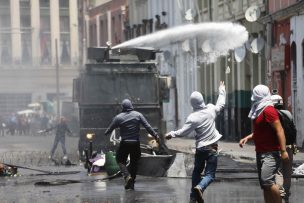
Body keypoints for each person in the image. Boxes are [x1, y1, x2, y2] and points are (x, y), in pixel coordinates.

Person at [165, 81, 226, 203]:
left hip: (201, 148)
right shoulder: (211, 109)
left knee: (197, 171)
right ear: (202, 99)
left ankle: (193, 196)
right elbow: (221, 104)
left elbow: (183, 132)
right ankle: (200, 187)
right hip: (212, 147)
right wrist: (221, 89)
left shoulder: (192, 118)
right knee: (210, 174)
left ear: (192, 103)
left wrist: (171, 134)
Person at [239, 85, 289, 203]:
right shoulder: (259, 109)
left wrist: (283, 151)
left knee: (267, 181)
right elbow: (261, 131)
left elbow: (279, 130)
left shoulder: (268, 110)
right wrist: (248, 137)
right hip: (260, 152)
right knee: (265, 186)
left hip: (270, 153)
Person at [105, 99, 159, 190]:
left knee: (120, 160)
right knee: (134, 163)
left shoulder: (119, 117)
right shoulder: (138, 115)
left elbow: (110, 128)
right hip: (135, 143)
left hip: (125, 143)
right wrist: (155, 135)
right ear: (131, 106)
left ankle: (127, 176)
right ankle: (132, 183)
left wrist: (106, 132)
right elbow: (148, 126)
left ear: (122, 107)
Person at [271, 94, 296, 202]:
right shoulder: (288, 113)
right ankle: (286, 193)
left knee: (279, 171)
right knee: (287, 171)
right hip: (289, 146)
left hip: (278, 147)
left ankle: (280, 192)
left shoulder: (273, 115)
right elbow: (293, 129)